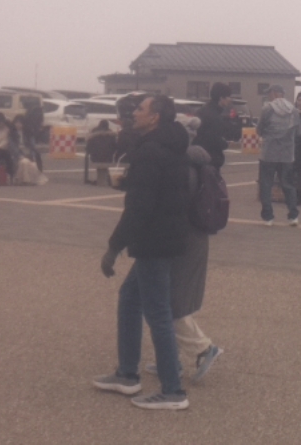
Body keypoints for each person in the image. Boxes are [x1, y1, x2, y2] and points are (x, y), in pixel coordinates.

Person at [94, 95, 190, 410]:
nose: (134, 113)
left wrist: (113, 247)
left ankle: (173, 391)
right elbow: (157, 190)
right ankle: (127, 373)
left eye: (140, 109)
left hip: (154, 239)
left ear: (154, 117)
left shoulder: (150, 151)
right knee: (130, 298)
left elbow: (139, 208)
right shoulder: (171, 144)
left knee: (158, 313)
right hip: (167, 235)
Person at [142, 145, 224, 383]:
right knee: (170, 299)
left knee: (169, 303)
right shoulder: (201, 170)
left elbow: (169, 207)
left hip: (182, 240)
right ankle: (170, 358)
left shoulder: (183, 173)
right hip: (196, 238)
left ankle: (203, 348)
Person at [256, 85, 301, 226]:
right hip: (287, 155)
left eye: (269, 93)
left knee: (266, 185)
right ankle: (293, 216)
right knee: (288, 185)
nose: (269, 96)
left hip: (268, 153)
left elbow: (259, 129)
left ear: (275, 93)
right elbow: (298, 132)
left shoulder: (267, 109)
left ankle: (268, 217)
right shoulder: (294, 110)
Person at [196, 82, 234, 172]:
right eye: (228, 96)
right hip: (210, 160)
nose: (230, 99)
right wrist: (225, 144)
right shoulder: (214, 116)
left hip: (200, 157)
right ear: (221, 98)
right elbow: (213, 139)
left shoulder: (203, 110)